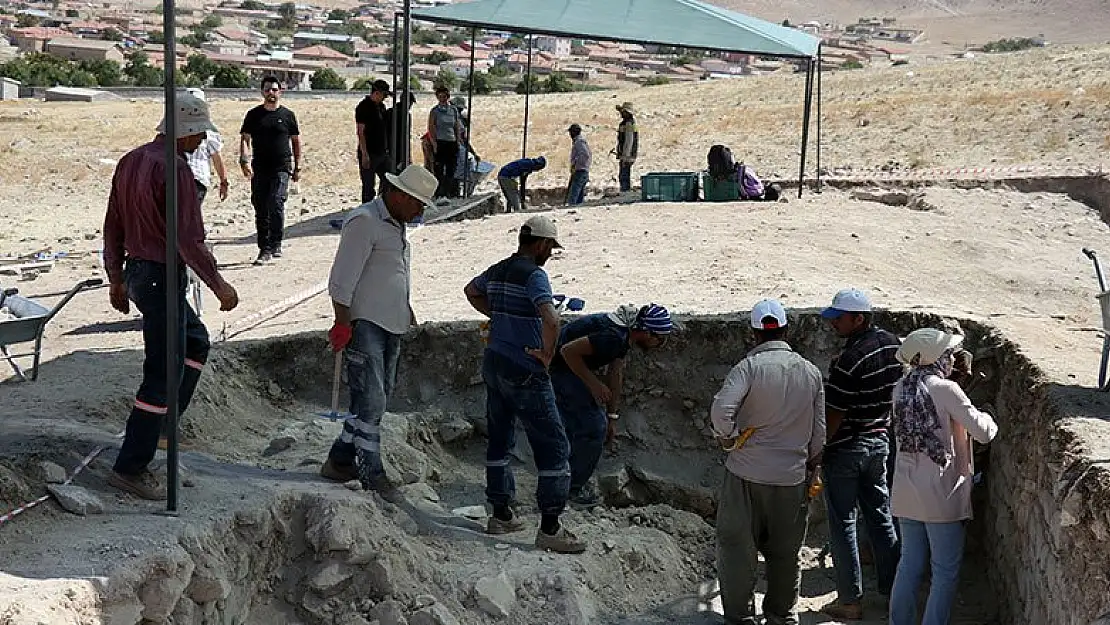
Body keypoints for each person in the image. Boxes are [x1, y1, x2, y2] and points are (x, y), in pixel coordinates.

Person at [102, 92, 239, 500]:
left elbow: (113, 223)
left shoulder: (130, 161)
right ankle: (131, 466)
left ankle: (163, 428)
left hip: (140, 273)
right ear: (185, 133)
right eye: (198, 135)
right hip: (161, 275)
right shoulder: (176, 170)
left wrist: (116, 276)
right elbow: (187, 239)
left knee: (195, 342)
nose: (201, 144)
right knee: (162, 371)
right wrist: (218, 284)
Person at [463, 215, 586, 554]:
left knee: (499, 439)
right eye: (551, 248)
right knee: (554, 445)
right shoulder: (535, 275)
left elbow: (471, 291)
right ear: (543, 244)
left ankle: (500, 513)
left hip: (495, 361)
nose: (550, 254)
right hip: (525, 368)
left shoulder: (499, 269)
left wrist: (498, 316)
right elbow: (552, 318)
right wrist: (547, 353)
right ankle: (550, 527)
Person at [320, 165, 436, 492]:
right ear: (398, 195)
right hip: (365, 321)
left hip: (391, 321)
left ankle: (340, 460)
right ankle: (372, 472)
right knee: (371, 400)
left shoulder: (395, 224)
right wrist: (343, 321)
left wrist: (405, 307)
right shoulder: (365, 221)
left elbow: (391, 272)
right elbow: (341, 278)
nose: (420, 210)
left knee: (373, 398)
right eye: (417, 202)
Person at [710, 299, 825, 625]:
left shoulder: (748, 368)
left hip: (745, 473)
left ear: (754, 333)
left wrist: (728, 437)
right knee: (786, 554)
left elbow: (721, 412)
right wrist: (813, 466)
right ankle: (782, 616)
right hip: (791, 478)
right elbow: (818, 433)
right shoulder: (810, 372)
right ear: (787, 330)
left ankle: (740, 617)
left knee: (737, 548)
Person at [889, 329, 997, 625]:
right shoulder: (945, 389)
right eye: (948, 353)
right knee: (944, 572)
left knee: (909, 565)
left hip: (906, 492)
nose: (952, 358)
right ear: (935, 358)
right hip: (941, 494)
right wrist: (989, 416)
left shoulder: (900, 389)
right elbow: (983, 432)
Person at [819, 287, 903, 620]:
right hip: (879, 442)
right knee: (880, 516)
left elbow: (835, 413)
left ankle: (850, 600)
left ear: (859, 318)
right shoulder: (893, 344)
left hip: (846, 449)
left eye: (839, 319)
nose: (833, 324)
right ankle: (896, 590)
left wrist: (819, 448)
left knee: (843, 522)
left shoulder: (851, 360)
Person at [549, 303, 674, 508]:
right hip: (559, 368)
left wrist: (612, 416)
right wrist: (593, 383)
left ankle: (565, 481)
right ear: (646, 332)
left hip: (568, 367)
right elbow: (567, 351)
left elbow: (615, 373)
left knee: (590, 425)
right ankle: (570, 490)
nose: (660, 344)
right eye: (659, 338)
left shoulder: (624, 337)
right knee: (593, 428)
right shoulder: (613, 337)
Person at [239, 76, 302, 266]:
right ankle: (264, 249)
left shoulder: (288, 115)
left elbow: (296, 141)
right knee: (260, 207)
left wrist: (298, 166)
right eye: (267, 90)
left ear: (280, 92)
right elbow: (245, 139)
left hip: (282, 167)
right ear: (262, 92)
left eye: (274, 90)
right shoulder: (253, 115)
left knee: (276, 202)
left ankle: (276, 243)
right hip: (260, 169)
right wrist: (244, 159)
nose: (271, 93)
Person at [183, 88, 229, 206]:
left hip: (197, 178)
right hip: (179, 178)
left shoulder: (210, 131)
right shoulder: (173, 127)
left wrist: (224, 181)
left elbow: (217, 159)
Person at [355, 79, 394, 203]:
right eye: (384, 95)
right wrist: (365, 154)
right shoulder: (363, 107)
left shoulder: (381, 107)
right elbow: (361, 132)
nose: (385, 98)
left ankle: (382, 204)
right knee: (368, 186)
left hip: (382, 151)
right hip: (370, 152)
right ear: (376, 93)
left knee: (388, 179)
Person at [428, 86, 465, 198]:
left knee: (451, 169)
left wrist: (458, 141)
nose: (442, 99)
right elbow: (431, 128)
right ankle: (439, 193)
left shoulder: (453, 110)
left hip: (451, 142)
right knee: (439, 169)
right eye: (440, 97)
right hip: (440, 142)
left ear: (448, 97)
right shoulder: (434, 111)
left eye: (444, 96)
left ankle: (448, 193)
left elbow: (456, 126)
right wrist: (434, 144)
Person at [614, 102, 639, 193]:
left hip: (628, 156)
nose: (621, 113)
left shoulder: (628, 124)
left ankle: (625, 193)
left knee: (624, 176)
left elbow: (629, 141)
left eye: (623, 112)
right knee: (625, 175)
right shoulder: (629, 123)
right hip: (630, 155)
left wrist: (624, 157)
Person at [566, 123, 591, 205]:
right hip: (582, 171)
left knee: (573, 196)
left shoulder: (579, 142)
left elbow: (585, 155)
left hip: (580, 171)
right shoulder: (579, 141)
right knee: (579, 198)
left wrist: (576, 165)